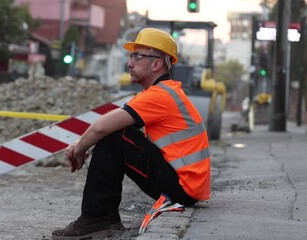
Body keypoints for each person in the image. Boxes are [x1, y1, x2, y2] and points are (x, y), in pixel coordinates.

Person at [51, 28, 210, 239]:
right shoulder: (158, 93)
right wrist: (82, 144)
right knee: (115, 134)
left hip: (182, 188)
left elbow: (101, 127)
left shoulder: (159, 96)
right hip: (183, 184)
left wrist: (78, 149)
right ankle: (107, 217)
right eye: (131, 56)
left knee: (115, 137)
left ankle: (95, 218)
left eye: (138, 56)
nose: (130, 62)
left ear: (156, 64)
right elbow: (108, 126)